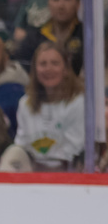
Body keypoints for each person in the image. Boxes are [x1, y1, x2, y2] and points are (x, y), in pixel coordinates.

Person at [13, 41, 84, 170]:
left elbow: (75, 148)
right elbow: (21, 144)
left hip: (68, 173)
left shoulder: (78, 102)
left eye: (55, 63)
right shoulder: (25, 103)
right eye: (42, 64)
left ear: (66, 69)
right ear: (35, 69)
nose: (48, 69)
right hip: (32, 170)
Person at [13, 0, 82, 74]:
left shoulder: (85, 35)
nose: (61, 6)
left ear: (78, 4)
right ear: (48, 4)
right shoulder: (33, 38)